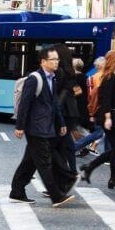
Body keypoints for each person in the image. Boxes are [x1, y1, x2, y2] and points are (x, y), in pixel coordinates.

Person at [9, 46, 75, 207]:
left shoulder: (52, 78)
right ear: (44, 61)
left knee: (29, 162)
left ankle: (17, 192)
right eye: (53, 59)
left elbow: (54, 104)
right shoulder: (35, 78)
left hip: (47, 126)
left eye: (57, 59)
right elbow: (25, 103)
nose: (57, 62)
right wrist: (20, 126)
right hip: (35, 127)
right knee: (44, 162)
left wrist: (61, 123)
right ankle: (56, 196)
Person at [80, 50, 115, 189]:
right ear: (114, 61)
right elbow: (105, 99)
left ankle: (91, 168)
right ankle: (113, 179)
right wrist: (107, 118)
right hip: (110, 116)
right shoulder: (108, 77)